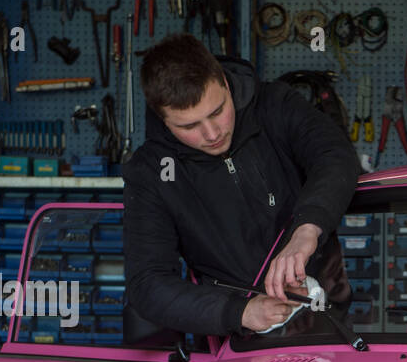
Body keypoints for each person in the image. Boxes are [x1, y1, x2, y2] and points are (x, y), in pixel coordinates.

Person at [123, 34, 361, 337]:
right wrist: (239, 311)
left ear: (223, 81)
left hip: (330, 319)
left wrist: (308, 229)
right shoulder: (150, 172)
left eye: (217, 111)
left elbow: (335, 155)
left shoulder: (275, 104)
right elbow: (148, 284)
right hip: (238, 339)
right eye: (189, 126)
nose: (211, 134)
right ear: (164, 119)